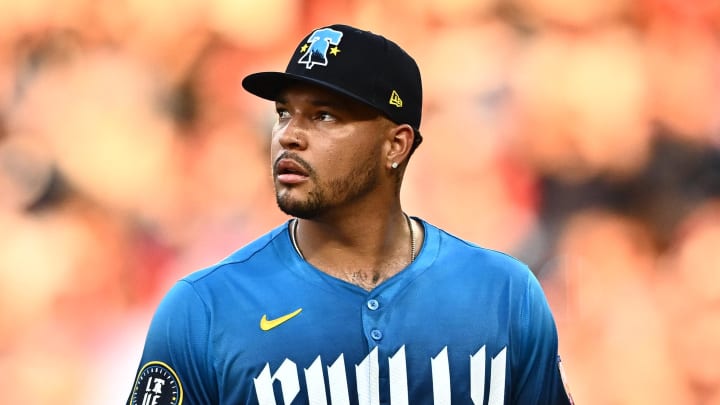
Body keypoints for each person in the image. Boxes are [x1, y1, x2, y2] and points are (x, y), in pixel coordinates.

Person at [126, 24, 574, 405]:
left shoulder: (504, 295)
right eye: (284, 113)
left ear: (395, 144)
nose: (289, 136)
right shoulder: (204, 308)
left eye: (324, 116)